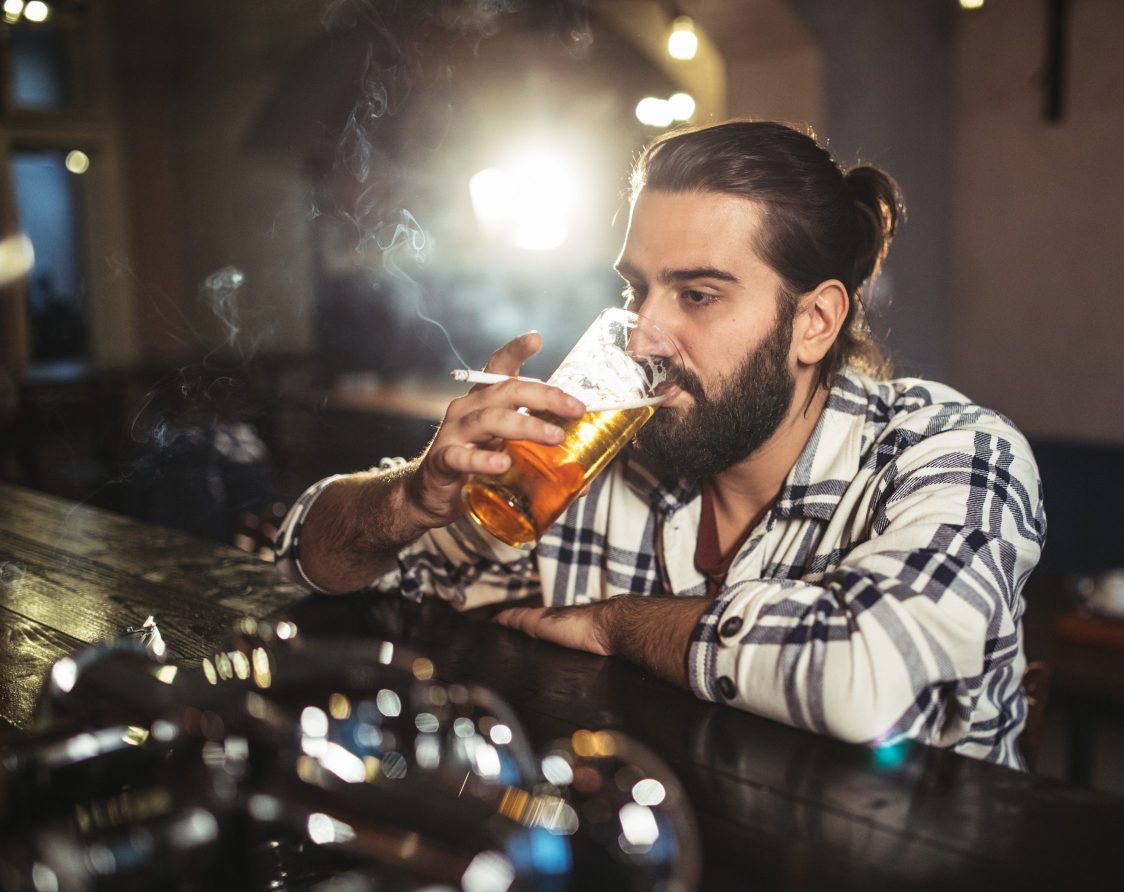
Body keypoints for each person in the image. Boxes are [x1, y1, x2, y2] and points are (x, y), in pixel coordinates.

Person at [276, 120, 1046, 768]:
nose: (644, 333)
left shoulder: (954, 455)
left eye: (698, 295)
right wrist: (411, 498)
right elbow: (312, 565)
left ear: (815, 322)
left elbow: (864, 679)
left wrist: (620, 624)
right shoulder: (589, 456)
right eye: (635, 290)